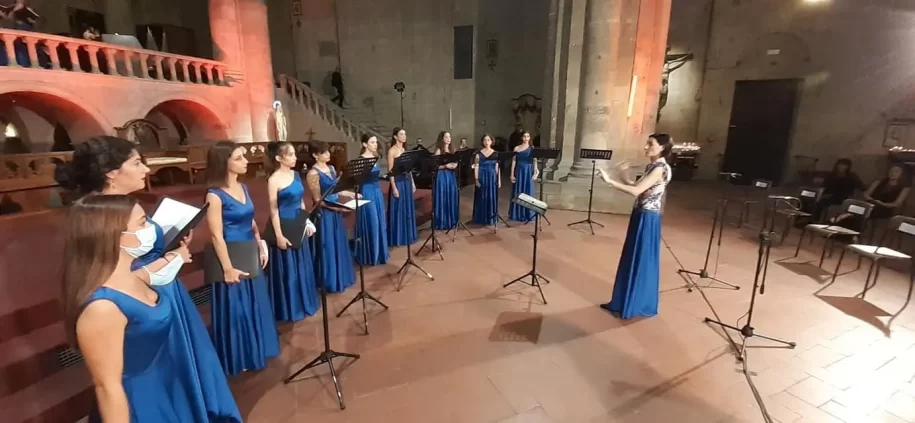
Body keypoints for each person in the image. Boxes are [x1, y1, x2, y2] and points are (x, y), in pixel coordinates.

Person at [55, 136, 241, 421]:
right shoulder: (100, 226)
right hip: (139, 297)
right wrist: (167, 262)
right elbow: (109, 385)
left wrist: (172, 246)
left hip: (157, 292)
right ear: (111, 173)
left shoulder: (127, 209)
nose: (146, 169)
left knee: (175, 375)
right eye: (136, 163)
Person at [62, 195, 211, 422]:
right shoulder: (102, 308)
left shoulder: (133, 276)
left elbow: (149, 273)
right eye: (142, 223)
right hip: (136, 404)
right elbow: (108, 388)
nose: (151, 228)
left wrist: (174, 257)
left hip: (166, 385)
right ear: (113, 235)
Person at [205, 141, 280, 376]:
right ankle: (241, 354)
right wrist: (227, 268)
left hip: (248, 249)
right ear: (223, 162)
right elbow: (216, 236)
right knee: (238, 307)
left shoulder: (243, 187)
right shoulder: (214, 195)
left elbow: (251, 219)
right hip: (231, 253)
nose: (246, 161)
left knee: (255, 301)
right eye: (238, 158)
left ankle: (258, 346)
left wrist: (260, 243)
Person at [597, 133, 674, 319]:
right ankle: (624, 300)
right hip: (641, 214)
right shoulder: (653, 166)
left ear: (662, 147)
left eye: (650, 144)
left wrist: (609, 181)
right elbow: (637, 186)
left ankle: (635, 303)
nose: (646, 147)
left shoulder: (660, 168)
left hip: (648, 217)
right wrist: (623, 174)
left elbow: (635, 191)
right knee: (633, 256)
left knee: (640, 258)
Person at [265, 141, 319, 322]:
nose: (295, 158)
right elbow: (273, 211)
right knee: (289, 269)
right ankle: (291, 308)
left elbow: (301, 201)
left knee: (302, 265)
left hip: (297, 224)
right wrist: (279, 235)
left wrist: (306, 220)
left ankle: (305, 301)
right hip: (284, 225)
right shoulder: (273, 180)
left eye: (294, 154)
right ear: (279, 158)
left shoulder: (295, 174)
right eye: (290, 155)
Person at [305, 141, 357, 292]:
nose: (328, 154)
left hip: (335, 210)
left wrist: (350, 194)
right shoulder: (313, 174)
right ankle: (329, 281)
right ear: (315, 155)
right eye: (324, 152)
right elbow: (317, 200)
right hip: (325, 213)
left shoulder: (332, 168)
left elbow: (335, 190)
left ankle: (341, 276)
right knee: (327, 245)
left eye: (328, 151)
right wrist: (337, 208)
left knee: (338, 242)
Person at [830, 163, 910, 233]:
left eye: (896, 171)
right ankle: (841, 227)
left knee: (864, 211)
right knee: (857, 208)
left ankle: (846, 226)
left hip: (885, 208)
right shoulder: (879, 182)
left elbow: (897, 204)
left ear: (901, 174)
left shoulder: (904, 187)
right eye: (891, 171)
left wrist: (881, 203)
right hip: (870, 203)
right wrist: (871, 200)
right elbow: (866, 194)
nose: (893, 173)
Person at [354, 134, 390, 266]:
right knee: (373, 221)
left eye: (376, 142)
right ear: (365, 144)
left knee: (380, 221)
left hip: (377, 191)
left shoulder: (375, 158)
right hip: (367, 192)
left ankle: (380, 253)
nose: (375, 145)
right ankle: (371, 255)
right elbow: (356, 180)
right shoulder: (360, 160)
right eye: (372, 142)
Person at [387, 127, 418, 246]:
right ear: (395, 136)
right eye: (401, 134)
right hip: (398, 181)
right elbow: (390, 172)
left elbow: (409, 169)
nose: (404, 136)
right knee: (399, 209)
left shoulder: (405, 150)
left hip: (407, 181)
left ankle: (408, 235)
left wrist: (413, 183)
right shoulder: (392, 151)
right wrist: (394, 187)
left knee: (407, 208)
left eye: (405, 134)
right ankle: (399, 237)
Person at [508, 130, 538, 222]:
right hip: (519, 171)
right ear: (521, 137)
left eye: (528, 136)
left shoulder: (532, 148)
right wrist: (512, 174)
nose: (526, 138)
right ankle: (517, 214)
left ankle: (528, 214)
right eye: (524, 136)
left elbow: (534, 161)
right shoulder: (516, 148)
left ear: (530, 138)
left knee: (528, 191)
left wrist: (535, 173)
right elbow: (514, 161)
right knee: (518, 191)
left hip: (528, 171)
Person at [432, 131, 459, 230]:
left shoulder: (453, 150)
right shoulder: (439, 150)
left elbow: (456, 161)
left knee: (451, 196)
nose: (448, 139)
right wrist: (445, 166)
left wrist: (455, 165)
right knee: (443, 197)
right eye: (446, 137)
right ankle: (442, 222)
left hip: (451, 175)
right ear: (442, 139)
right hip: (442, 176)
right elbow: (434, 166)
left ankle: (452, 221)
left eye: (449, 137)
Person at [471, 134, 500, 226]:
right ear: (482, 142)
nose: (486, 142)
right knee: (481, 196)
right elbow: (476, 166)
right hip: (482, 176)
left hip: (492, 177)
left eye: (488, 140)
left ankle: (491, 217)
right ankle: (480, 218)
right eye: (484, 140)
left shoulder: (496, 153)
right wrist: (476, 179)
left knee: (491, 196)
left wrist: (499, 180)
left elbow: (497, 168)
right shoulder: (478, 154)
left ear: (491, 141)